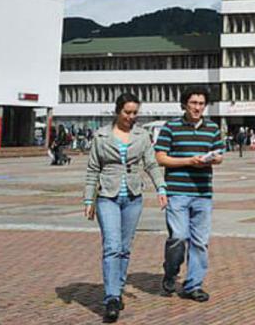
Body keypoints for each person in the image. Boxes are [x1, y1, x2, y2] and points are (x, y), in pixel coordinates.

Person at [84, 93, 167, 323]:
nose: (131, 117)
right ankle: (111, 298)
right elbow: (93, 169)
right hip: (107, 197)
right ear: (117, 111)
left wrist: (161, 188)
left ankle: (118, 288)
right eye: (127, 112)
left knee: (124, 247)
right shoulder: (101, 136)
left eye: (134, 113)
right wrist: (88, 200)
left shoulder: (142, 135)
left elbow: (151, 163)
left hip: (132, 197)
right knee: (111, 246)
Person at [155, 85, 224, 303]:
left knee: (200, 241)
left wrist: (213, 159)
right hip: (177, 191)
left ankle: (193, 284)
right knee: (178, 237)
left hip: (203, 192)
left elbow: (220, 154)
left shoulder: (212, 128)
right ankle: (171, 270)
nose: (197, 107)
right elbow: (160, 157)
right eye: (193, 103)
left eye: (201, 104)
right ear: (185, 104)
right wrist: (188, 161)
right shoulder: (171, 127)